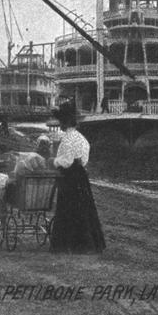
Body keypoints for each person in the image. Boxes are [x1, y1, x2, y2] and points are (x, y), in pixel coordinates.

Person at [49, 100, 106, 254]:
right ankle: (88, 243)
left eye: (60, 121)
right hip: (81, 175)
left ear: (64, 123)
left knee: (68, 208)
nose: (59, 124)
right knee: (84, 208)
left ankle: (68, 244)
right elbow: (85, 158)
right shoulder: (81, 138)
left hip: (69, 176)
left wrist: (55, 161)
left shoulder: (67, 139)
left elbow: (66, 162)